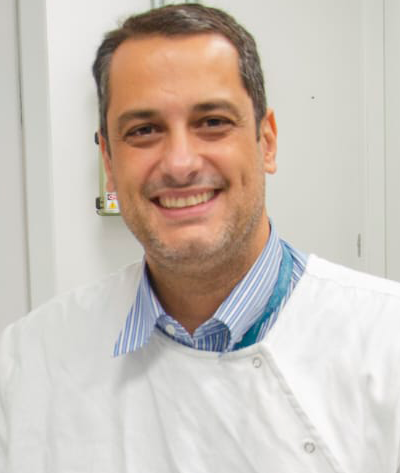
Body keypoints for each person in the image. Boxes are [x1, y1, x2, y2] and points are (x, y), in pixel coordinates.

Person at [1, 3, 400, 472]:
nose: (180, 163)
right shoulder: (28, 363)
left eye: (212, 122)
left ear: (267, 141)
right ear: (108, 161)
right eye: (144, 130)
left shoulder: (385, 343)